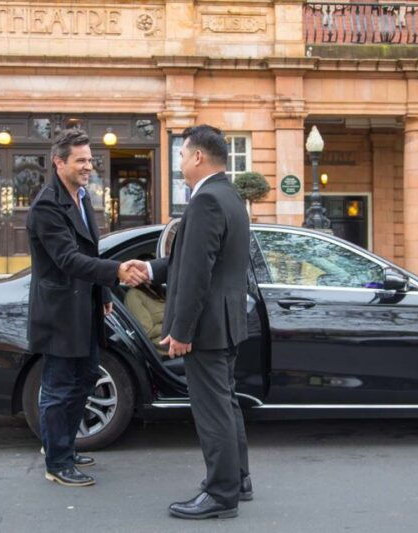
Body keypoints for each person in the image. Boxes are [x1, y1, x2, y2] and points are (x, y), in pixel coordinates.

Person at [131, 125, 252, 519]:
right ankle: (238, 480)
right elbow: (191, 262)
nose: (180, 163)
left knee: (212, 409)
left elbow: (198, 272)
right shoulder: (229, 196)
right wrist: (149, 268)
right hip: (226, 321)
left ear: (198, 156)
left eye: (182, 155)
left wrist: (181, 331)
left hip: (206, 327)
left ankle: (221, 494)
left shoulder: (206, 202)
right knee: (226, 402)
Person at [26, 127, 146, 488]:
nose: (88, 167)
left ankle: (64, 446)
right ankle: (57, 461)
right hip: (61, 313)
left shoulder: (80, 197)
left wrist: (104, 294)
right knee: (59, 388)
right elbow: (68, 259)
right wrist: (117, 272)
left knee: (86, 377)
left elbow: (89, 253)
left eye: (90, 160)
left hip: (86, 307)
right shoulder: (48, 204)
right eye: (81, 161)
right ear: (58, 162)